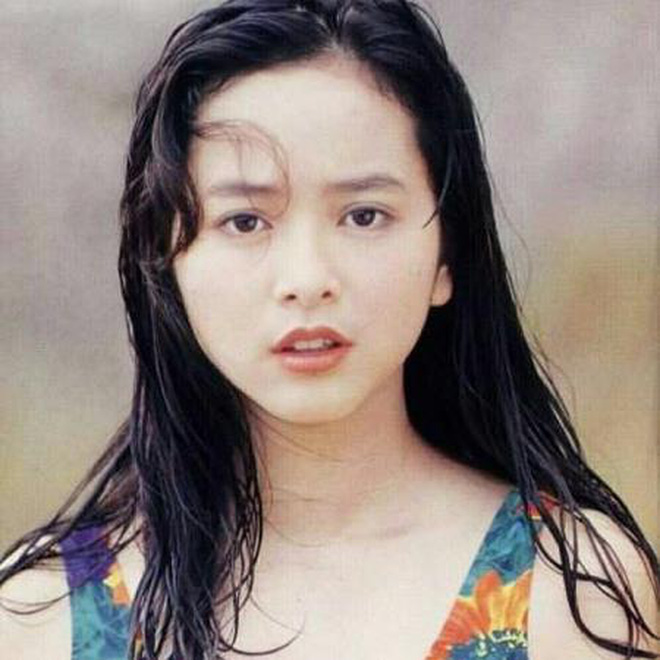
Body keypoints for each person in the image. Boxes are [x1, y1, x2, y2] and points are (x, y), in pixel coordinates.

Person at [0, 0, 658, 658]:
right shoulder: (44, 618)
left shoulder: (569, 596)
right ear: (168, 264)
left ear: (447, 256)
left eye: (364, 215)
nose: (308, 278)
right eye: (245, 221)